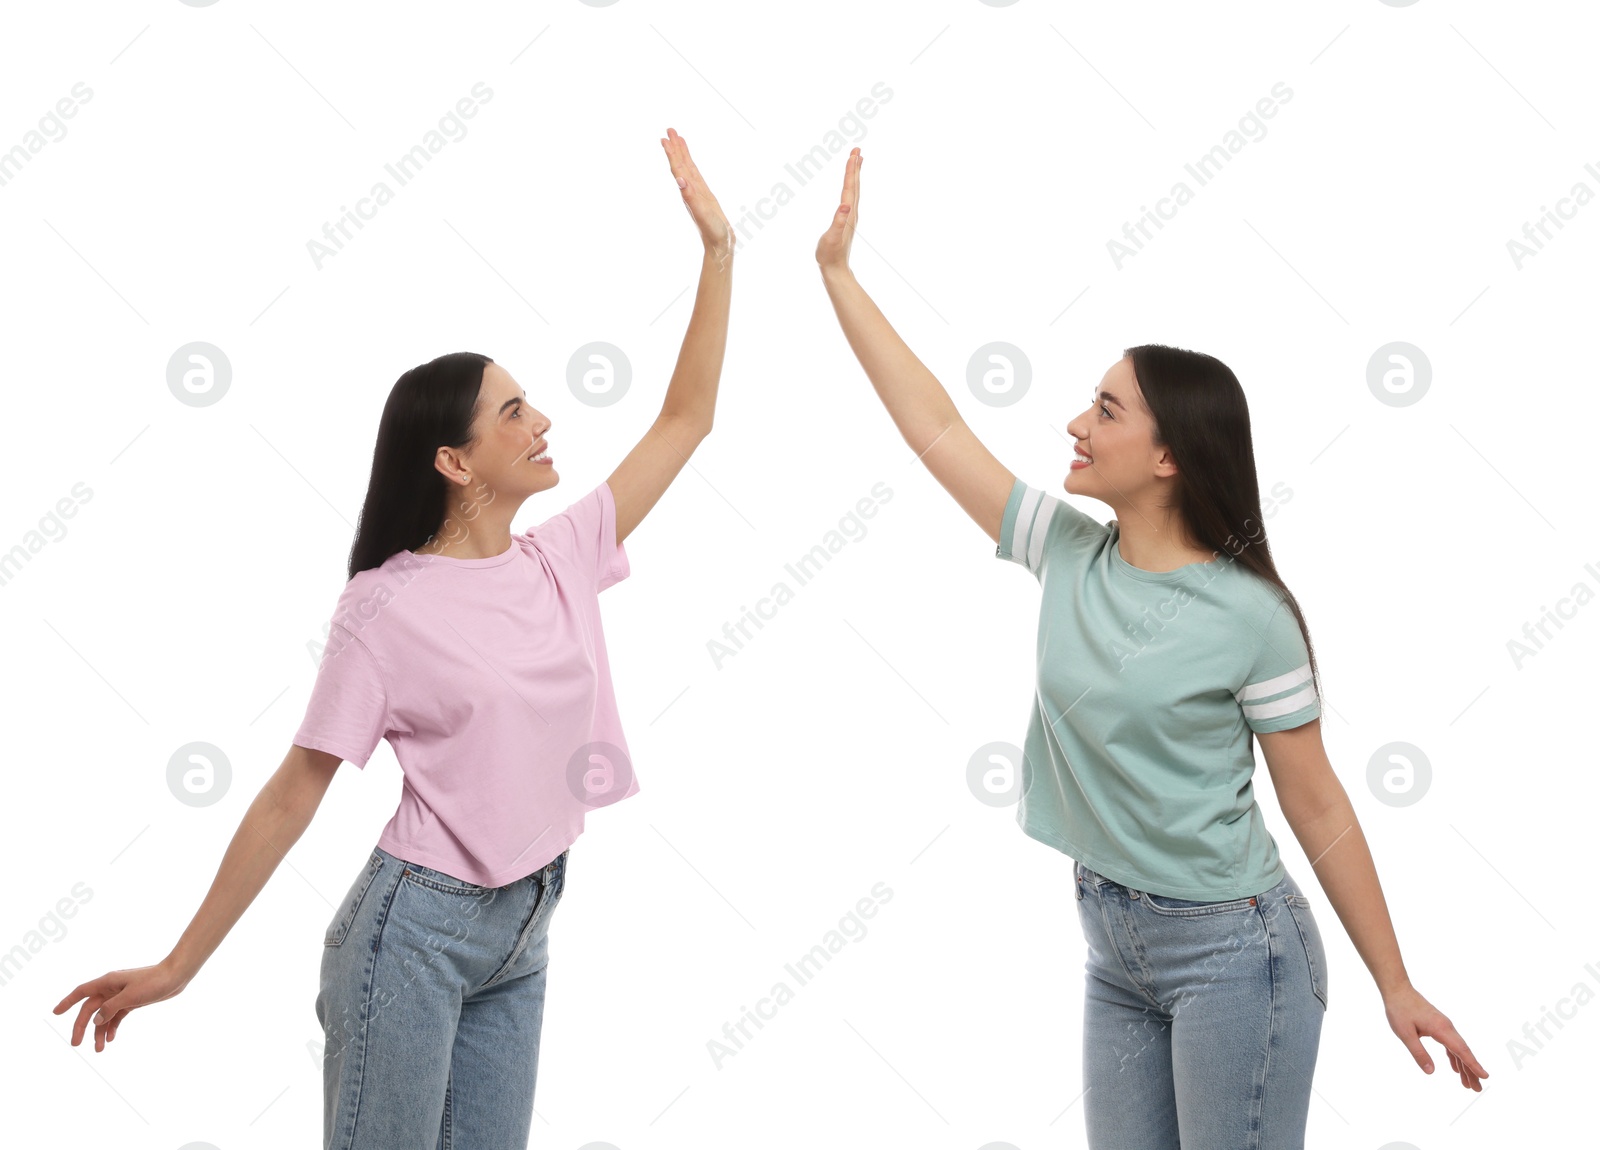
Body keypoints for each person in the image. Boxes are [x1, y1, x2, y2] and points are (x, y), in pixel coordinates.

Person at [51, 126, 735, 1149]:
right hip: (413, 936)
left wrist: (719, 254)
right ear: (455, 463)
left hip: (525, 927)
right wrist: (180, 964)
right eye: (513, 410)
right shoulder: (385, 608)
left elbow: (686, 421)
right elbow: (294, 790)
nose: (542, 417)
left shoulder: (559, 556)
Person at [813, 146, 1490, 1148]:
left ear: (1168, 455)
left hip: (1234, 951)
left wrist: (1394, 980)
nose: (1077, 423)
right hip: (1112, 944)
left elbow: (1314, 800)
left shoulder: (1250, 615)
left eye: (1106, 409)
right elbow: (936, 428)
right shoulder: (1068, 553)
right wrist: (838, 277)